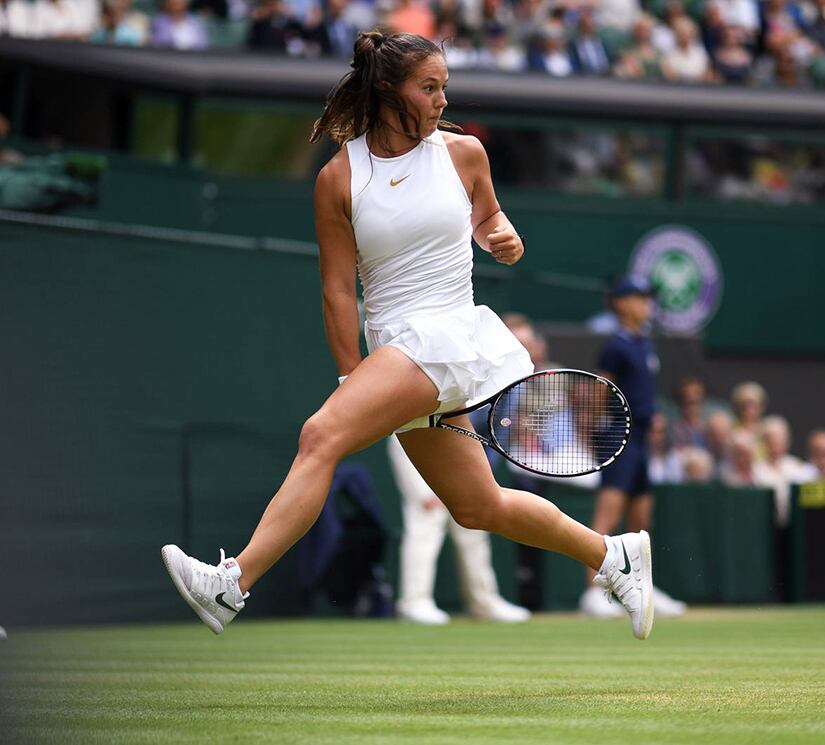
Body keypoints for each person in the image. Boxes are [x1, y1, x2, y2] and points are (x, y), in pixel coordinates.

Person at [160, 32, 654, 641]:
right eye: (429, 87)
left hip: (447, 337)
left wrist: (504, 235)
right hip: (398, 350)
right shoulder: (339, 179)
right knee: (479, 507)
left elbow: (489, 216)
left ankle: (230, 584)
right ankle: (615, 557)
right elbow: (339, 291)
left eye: (445, 86)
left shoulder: (464, 154)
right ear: (387, 90)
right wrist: (352, 377)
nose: (443, 99)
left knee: (320, 434)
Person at [579, 276, 685, 621]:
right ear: (621, 303)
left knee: (641, 519)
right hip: (617, 436)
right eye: (639, 298)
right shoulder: (616, 346)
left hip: (640, 438)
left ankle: (643, 592)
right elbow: (600, 390)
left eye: (647, 299)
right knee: (607, 516)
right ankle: (592, 593)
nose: (647, 305)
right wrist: (597, 429)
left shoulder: (644, 343)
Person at [386, 434, 530, 625]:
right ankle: (414, 603)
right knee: (427, 518)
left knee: (473, 526)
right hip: (414, 431)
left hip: (456, 438)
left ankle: (484, 603)